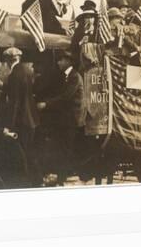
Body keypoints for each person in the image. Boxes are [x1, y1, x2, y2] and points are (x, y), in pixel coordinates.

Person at [0, 47, 40, 184]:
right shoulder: (26, 71)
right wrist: (2, 85)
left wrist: (9, 126)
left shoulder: (14, 75)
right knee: (30, 150)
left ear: (8, 60)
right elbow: (19, 92)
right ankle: (37, 180)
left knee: (23, 153)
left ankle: (28, 182)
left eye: (5, 60)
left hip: (22, 120)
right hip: (32, 118)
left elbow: (15, 102)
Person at [36, 50, 84, 185]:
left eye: (60, 60)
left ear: (68, 61)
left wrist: (46, 104)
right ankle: (61, 176)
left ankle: (62, 178)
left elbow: (65, 97)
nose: (58, 62)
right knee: (62, 147)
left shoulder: (74, 77)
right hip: (65, 118)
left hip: (71, 119)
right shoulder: (66, 76)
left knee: (66, 148)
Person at [70, 1, 98, 72]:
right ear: (83, 19)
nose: (89, 20)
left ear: (94, 19)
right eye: (87, 17)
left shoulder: (98, 31)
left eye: (91, 17)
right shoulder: (79, 31)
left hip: (96, 62)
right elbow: (73, 47)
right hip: (80, 62)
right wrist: (81, 42)